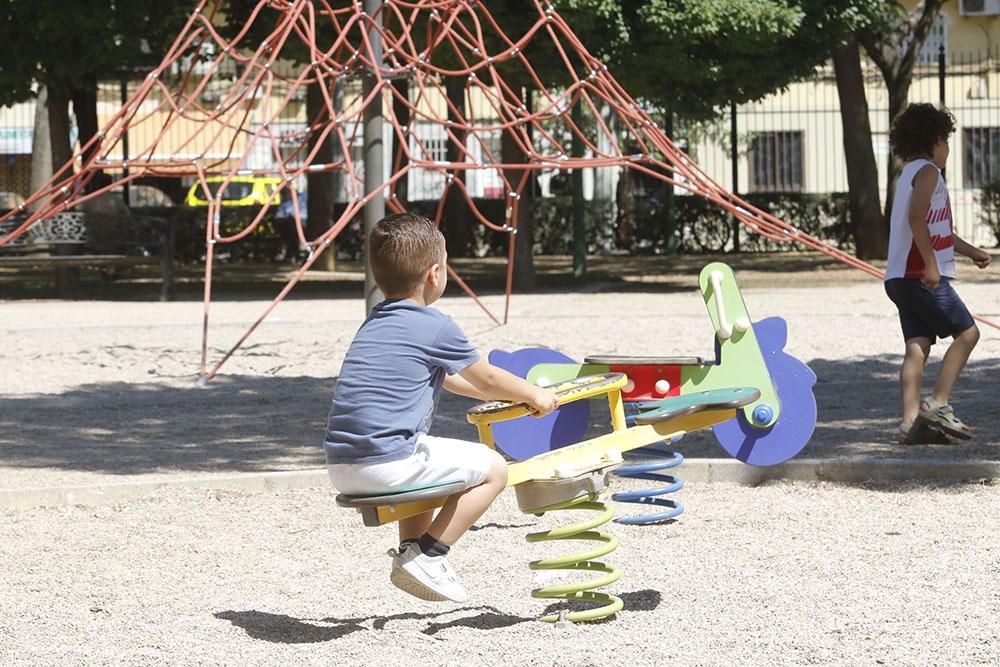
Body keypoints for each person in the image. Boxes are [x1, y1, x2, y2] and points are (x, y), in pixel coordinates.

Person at [324, 212, 559, 603]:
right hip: (386, 464)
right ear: (435, 274)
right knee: (494, 468)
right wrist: (534, 394)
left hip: (343, 465)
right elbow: (485, 377)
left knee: (427, 454)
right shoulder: (434, 324)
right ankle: (431, 554)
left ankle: (411, 549)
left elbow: (450, 379)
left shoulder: (375, 322)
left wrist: (502, 397)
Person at [883, 103, 992, 445]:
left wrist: (970, 250)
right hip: (920, 275)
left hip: (900, 279)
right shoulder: (929, 172)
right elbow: (917, 219)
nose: (948, 148)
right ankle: (939, 402)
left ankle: (910, 422)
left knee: (917, 347)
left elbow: (935, 228)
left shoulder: (910, 173)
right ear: (933, 140)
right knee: (968, 334)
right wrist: (931, 265)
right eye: (945, 140)